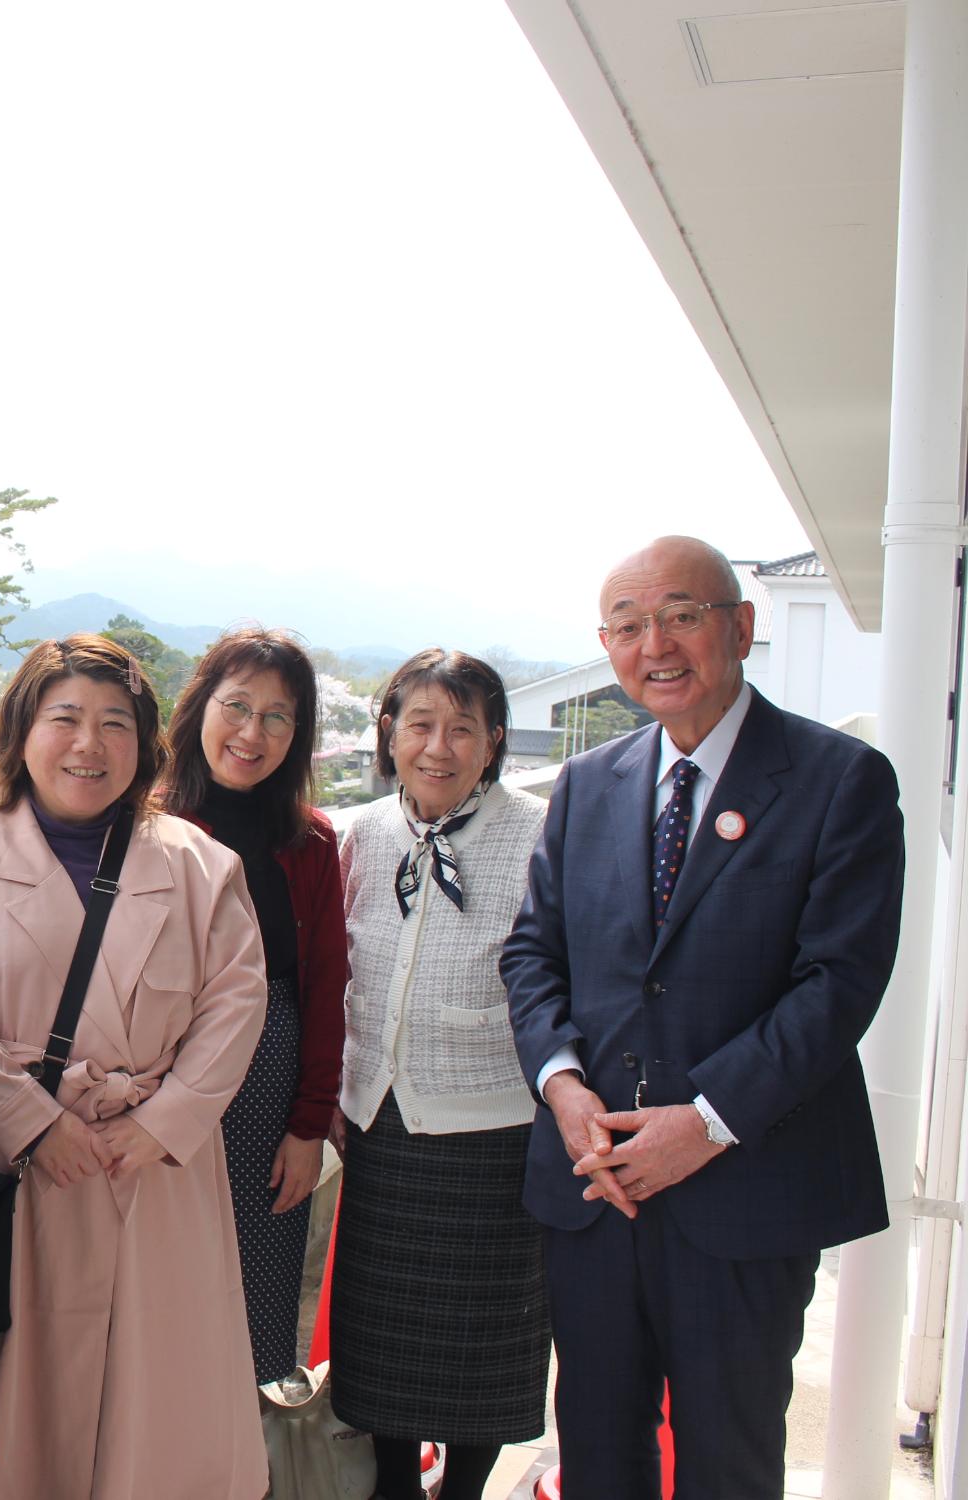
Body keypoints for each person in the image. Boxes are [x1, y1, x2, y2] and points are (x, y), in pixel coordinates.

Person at [502, 535, 905, 1500]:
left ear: (742, 627)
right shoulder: (587, 785)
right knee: (598, 1453)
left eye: (682, 616)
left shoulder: (840, 779)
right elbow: (533, 955)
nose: (657, 646)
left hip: (748, 1188)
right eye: (629, 627)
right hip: (598, 1186)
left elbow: (838, 985)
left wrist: (708, 1122)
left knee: (729, 1460)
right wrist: (562, 1088)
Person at [0, 633, 269, 1500]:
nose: (89, 744)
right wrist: (32, 1121)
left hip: (156, 1168)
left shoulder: (198, 861)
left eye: (115, 724)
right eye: (64, 718)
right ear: (20, 731)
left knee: (163, 1390)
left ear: (145, 745)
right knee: (32, 1400)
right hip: (28, 1171)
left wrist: (165, 1122)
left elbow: (237, 1000)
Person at [329, 648, 551, 1499]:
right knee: (381, 1331)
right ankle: (395, 1482)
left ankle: (463, 1489)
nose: (438, 746)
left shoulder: (539, 834)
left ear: (493, 743)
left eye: (463, 728)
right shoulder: (361, 833)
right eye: (419, 724)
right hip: (379, 1121)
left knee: (483, 1338)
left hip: (494, 1125)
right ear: (388, 732)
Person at [156, 626, 347, 1385]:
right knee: (158, 1304)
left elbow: (325, 988)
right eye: (236, 706)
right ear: (199, 706)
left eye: (277, 716)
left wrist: (308, 1126)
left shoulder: (310, 841)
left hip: (267, 1098)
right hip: (153, 1086)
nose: (252, 732)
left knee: (249, 1313)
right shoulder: (142, 822)